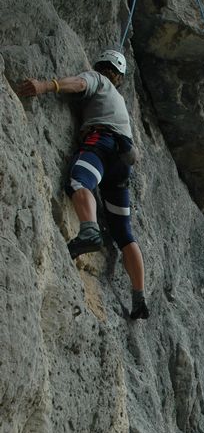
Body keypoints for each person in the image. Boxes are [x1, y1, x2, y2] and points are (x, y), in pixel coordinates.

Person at [17, 49, 149, 320]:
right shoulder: (120, 101)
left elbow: (79, 84)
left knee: (80, 180)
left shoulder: (98, 80)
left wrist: (45, 86)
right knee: (123, 232)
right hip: (122, 162)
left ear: (102, 67)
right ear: (120, 76)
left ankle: (88, 231)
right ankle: (139, 298)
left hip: (101, 143)